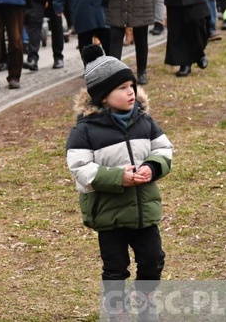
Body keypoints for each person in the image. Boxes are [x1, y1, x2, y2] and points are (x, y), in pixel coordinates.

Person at [67, 44, 172, 322]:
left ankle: (146, 300)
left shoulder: (144, 122)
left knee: (153, 259)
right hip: (109, 213)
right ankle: (117, 311)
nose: (131, 92)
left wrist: (152, 167)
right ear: (103, 97)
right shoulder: (84, 131)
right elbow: (80, 169)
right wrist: (118, 178)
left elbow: (164, 150)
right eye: (122, 88)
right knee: (115, 268)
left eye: (131, 85)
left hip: (142, 211)